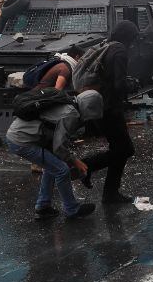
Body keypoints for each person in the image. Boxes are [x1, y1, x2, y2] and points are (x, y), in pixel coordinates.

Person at [6, 90, 102, 220]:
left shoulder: (69, 103)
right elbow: (59, 147)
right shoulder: (71, 114)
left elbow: (57, 143)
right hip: (22, 141)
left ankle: (43, 206)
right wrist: (75, 161)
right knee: (62, 170)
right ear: (89, 107)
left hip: (18, 137)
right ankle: (71, 209)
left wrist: (73, 164)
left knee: (52, 168)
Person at [82, 20, 139, 204]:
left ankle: (111, 194)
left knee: (119, 149)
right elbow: (119, 85)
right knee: (126, 149)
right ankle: (87, 165)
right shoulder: (120, 50)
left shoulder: (106, 46)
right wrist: (132, 84)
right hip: (110, 109)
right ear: (128, 36)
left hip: (99, 105)